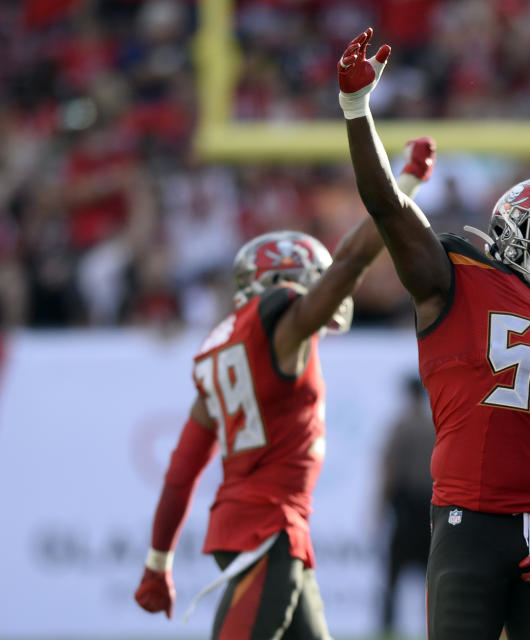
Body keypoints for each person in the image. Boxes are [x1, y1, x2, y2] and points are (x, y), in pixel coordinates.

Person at [337, 28, 530, 640]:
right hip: (471, 520)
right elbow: (387, 206)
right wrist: (359, 114)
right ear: (513, 229)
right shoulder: (455, 276)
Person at [132, 138, 437, 639]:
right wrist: (401, 188)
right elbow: (351, 261)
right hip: (265, 532)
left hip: (258, 528)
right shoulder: (284, 329)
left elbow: (181, 471)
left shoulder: (219, 351)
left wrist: (157, 561)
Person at [379, 373, 435, 637]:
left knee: (392, 578)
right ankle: (433, 626)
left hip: (405, 512)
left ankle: (388, 628)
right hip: (430, 511)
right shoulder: (432, 426)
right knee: (432, 579)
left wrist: (379, 509)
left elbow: (389, 472)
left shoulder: (401, 427)